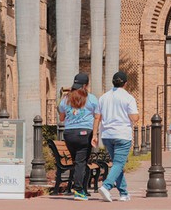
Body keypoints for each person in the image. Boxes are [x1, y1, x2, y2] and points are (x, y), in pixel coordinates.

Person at [91, 71, 139, 202]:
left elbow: (97, 117)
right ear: (125, 83)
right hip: (122, 134)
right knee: (118, 163)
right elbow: (134, 117)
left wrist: (94, 134)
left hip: (107, 135)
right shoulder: (128, 98)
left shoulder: (103, 98)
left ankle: (124, 193)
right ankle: (106, 186)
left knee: (118, 165)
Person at [58, 73, 100, 201]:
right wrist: (94, 134)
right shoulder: (92, 99)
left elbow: (61, 118)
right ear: (86, 85)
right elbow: (97, 117)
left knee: (78, 162)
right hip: (84, 134)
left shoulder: (65, 99)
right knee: (81, 162)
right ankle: (79, 191)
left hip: (69, 134)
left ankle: (82, 189)